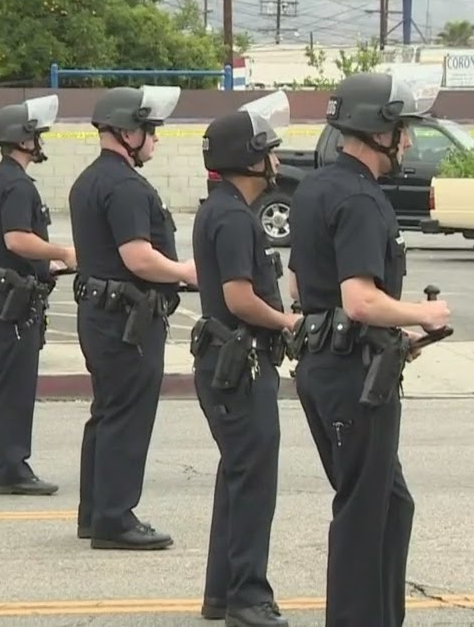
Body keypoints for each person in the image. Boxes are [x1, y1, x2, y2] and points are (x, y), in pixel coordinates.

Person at [285, 69, 451, 627]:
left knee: (390, 502)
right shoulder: (361, 198)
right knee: (363, 509)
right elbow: (359, 299)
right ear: (377, 129)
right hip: (348, 374)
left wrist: (392, 335)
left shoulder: (314, 187)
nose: (407, 140)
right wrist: (421, 314)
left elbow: (297, 281)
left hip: (332, 361)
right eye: (401, 128)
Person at [69, 84, 197, 550]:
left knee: (106, 413)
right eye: (150, 131)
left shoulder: (89, 179)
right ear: (127, 132)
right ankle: (115, 519)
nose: (155, 140)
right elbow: (139, 257)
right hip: (127, 320)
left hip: (102, 314)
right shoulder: (124, 186)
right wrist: (186, 271)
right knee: (127, 416)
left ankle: (95, 512)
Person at [191, 92, 299, 627]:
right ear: (249, 160)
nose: (276, 161)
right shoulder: (234, 218)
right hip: (239, 365)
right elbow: (238, 298)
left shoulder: (224, 210)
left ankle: (222, 594)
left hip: (228, 364)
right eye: (270, 152)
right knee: (253, 485)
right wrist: (287, 322)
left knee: (238, 479)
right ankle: (247, 598)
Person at [0, 96, 76, 496]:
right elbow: (16, 239)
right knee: (16, 386)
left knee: (7, 383)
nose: (40, 141)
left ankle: (0, 464)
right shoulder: (17, 185)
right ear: (23, 139)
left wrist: (45, 266)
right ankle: (12, 468)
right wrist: (63, 253)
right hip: (10, 299)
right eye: (36, 135)